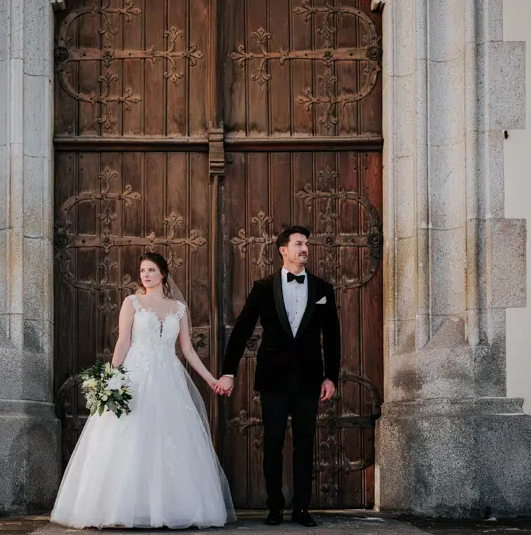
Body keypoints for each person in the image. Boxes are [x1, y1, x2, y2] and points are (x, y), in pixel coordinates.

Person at [50, 252, 235, 529]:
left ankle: (171, 509)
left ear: (163, 274)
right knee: (129, 436)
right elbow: (123, 341)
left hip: (169, 378)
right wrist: (111, 376)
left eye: (151, 270)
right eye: (142, 270)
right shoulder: (132, 303)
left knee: (169, 438)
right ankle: (118, 510)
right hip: (136, 375)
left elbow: (187, 350)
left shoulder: (178, 309)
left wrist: (211, 380)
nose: (145, 275)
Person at [216, 225, 341, 527]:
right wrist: (228, 372)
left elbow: (333, 335)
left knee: (305, 443)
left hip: (310, 380)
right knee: (272, 443)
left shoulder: (323, 289)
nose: (305, 249)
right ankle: (274, 507)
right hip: (273, 379)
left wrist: (331, 377)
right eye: (299, 244)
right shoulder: (263, 287)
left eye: (307, 244)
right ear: (283, 249)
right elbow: (243, 329)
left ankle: (301, 508)